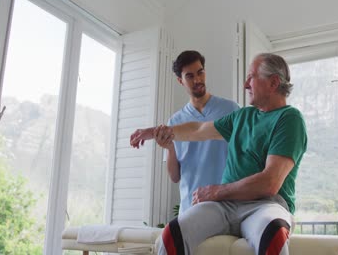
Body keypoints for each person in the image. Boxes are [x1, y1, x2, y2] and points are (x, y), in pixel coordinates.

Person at [130, 53, 307, 255]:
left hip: (264, 205)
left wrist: (216, 192)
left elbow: (270, 182)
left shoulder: (289, 119)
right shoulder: (242, 116)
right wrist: (152, 132)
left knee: (273, 235)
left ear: (274, 82)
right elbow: (197, 130)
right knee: (172, 235)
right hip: (224, 207)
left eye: (251, 77)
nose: (246, 84)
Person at [158, 50, 239, 214]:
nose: (197, 80)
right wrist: (169, 148)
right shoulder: (174, 122)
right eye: (189, 76)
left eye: (200, 72)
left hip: (227, 207)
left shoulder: (231, 110)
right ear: (180, 81)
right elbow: (175, 177)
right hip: (190, 208)